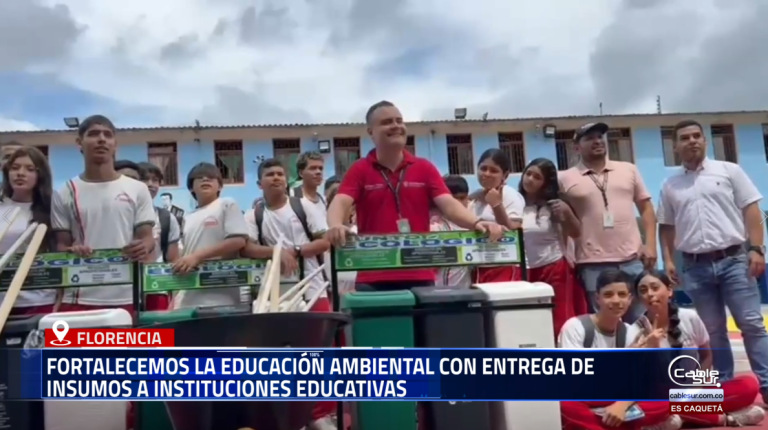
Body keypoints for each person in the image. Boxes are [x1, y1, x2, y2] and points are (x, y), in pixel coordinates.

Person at [326, 100, 504, 291]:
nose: (396, 126)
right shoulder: (359, 169)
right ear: (371, 132)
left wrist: (476, 223)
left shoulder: (424, 168)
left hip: (419, 273)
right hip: (373, 273)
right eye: (387, 122)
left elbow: (449, 205)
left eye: (399, 120)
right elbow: (340, 201)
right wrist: (336, 224)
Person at [657, 119, 768, 403]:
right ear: (675, 146)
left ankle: (767, 387)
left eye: (697, 136)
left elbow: (752, 211)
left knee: (752, 324)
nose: (692, 141)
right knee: (712, 330)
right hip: (695, 266)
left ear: (705, 141)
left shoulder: (729, 171)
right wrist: (668, 259)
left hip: (734, 260)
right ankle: (724, 390)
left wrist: (757, 248)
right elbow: (666, 226)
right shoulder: (670, 185)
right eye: (685, 137)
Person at [243, 158, 336, 430]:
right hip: (274, 297)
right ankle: (289, 417)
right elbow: (246, 248)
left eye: (280, 173)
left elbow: (325, 240)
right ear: (259, 183)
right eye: (269, 174)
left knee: (318, 354)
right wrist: (277, 252)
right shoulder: (253, 216)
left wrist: (295, 251)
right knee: (279, 358)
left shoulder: (304, 206)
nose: (276, 178)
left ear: (287, 179)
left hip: (313, 288)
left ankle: (320, 414)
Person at [51, 115, 156, 313]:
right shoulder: (65, 192)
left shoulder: (137, 189)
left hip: (128, 293)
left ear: (115, 144)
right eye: (93, 134)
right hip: (78, 295)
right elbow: (61, 245)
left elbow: (148, 239)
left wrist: (142, 247)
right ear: (79, 143)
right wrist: (71, 250)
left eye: (107, 135)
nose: (101, 139)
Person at [634, 270, 764, 427]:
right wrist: (652, 349)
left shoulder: (689, 317)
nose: (650, 294)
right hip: (663, 397)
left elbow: (706, 355)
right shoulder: (635, 330)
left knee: (748, 385)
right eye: (643, 290)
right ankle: (728, 418)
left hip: (695, 393)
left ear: (669, 290)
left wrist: (697, 385)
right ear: (639, 298)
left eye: (655, 288)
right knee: (660, 405)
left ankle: (684, 416)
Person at [559, 269, 680, 430]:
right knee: (563, 404)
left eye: (622, 295)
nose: (616, 301)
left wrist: (621, 405)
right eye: (608, 295)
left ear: (630, 299)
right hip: (585, 399)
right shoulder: (575, 327)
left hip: (615, 400)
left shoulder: (630, 331)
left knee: (665, 402)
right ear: (597, 299)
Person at [560, 122, 657, 323]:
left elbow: (646, 209)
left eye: (600, 137)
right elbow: (561, 222)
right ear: (577, 147)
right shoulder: (565, 178)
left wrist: (651, 245)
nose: (597, 141)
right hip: (591, 264)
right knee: (603, 324)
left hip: (632, 261)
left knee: (640, 322)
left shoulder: (628, 170)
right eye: (589, 138)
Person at [518, 158, 585, 334]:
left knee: (559, 319)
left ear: (546, 183)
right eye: (528, 173)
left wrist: (566, 214)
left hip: (553, 267)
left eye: (537, 177)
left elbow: (576, 232)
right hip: (523, 270)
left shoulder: (556, 205)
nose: (530, 179)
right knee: (527, 321)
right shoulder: (513, 202)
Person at [171, 162, 249, 308]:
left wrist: (197, 257)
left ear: (219, 186)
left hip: (222, 295)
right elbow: (185, 253)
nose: (205, 179)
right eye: (199, 177)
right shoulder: (188, 217)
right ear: (191, 187)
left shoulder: (226, 204)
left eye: (211, 177)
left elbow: (237, 241)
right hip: (189, 296)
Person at [0, 146, 56, 315]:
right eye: (15, 168)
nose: (20, 173)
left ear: (40, 176)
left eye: (30, 169)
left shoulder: (52, 209)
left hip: (39, 300)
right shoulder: (2, 208)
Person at [468, 149, 526, 283]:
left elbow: (513, 230)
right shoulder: (475, 197)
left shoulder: (510, 195)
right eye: (483, 168)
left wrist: (496, 205)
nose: (487, 174)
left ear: (505, 175)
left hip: (504, 265)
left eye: (494, 170)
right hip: (479, 265)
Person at [431, 175, 471, 288]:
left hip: (465, 289)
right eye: (454, 199)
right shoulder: (436, 226)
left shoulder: (471, 223)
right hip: (440, 290)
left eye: (463, 198)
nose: (459, 203)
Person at [136, 162, 181, 264]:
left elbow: (173, 259)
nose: (150, 184)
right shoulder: (122, 214)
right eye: (144, 179)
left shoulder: (167, 218)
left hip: (154, 277)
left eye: (155, 180)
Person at [291, 151, 327, 217]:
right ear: (301, 173)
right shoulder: (291, 196)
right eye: (313, 168)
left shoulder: (324, 201)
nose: (318, 172)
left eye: (320, 168)